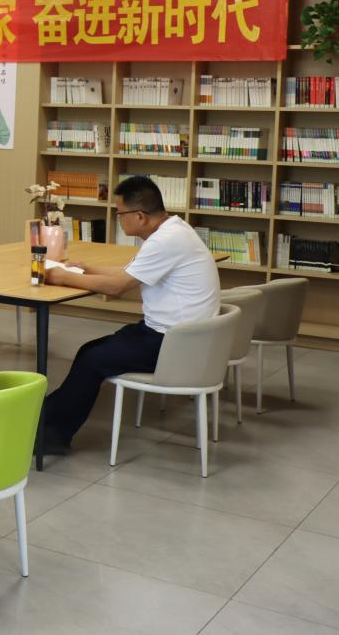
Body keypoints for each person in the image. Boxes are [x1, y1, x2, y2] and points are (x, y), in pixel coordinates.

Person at [38, 175, 220, 454]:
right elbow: (129, 272)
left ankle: (49, 435)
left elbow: (117, 287)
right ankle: (45, 424)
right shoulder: (173, 229)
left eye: (120, 214)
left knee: (92, 358)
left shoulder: (165, 241)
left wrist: (63, 277)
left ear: (140, 216)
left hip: (175, 344)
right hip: (179, 335)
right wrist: (86, 269)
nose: (118, 220)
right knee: (90, 351)